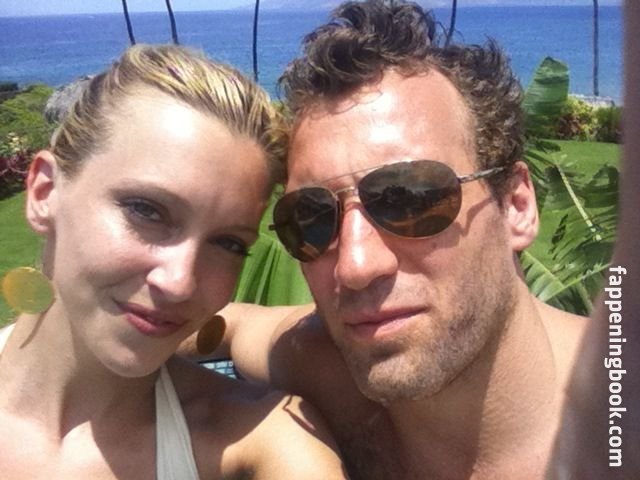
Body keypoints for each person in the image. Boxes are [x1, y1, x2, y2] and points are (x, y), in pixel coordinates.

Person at [183, 1, 638, 478]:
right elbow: (225, 327)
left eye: (410, 198)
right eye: (311, 217)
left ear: (517, 207)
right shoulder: (324, 366)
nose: (355, 266)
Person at [0, 44, 348, 479]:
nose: (180, 283)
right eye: (146, 210)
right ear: (44, 193)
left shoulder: (257, 439)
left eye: (228, 243)